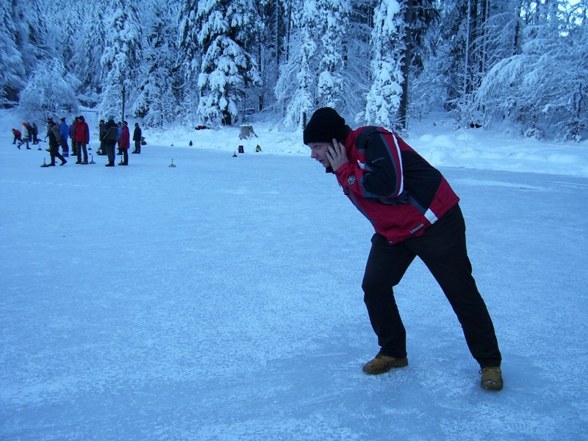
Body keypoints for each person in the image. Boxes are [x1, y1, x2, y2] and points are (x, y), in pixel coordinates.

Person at [303, 107, 503, 391]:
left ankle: (490, 363)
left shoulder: (372, 140)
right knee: (375, 286)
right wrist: (346, 171)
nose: (313, 155)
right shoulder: (343, 164)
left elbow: (389, 186)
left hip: (436, 223)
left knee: (461, 292)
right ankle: (393, 352)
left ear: (335, 142)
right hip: (394, 233)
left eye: (317, 147)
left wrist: (347, 172)